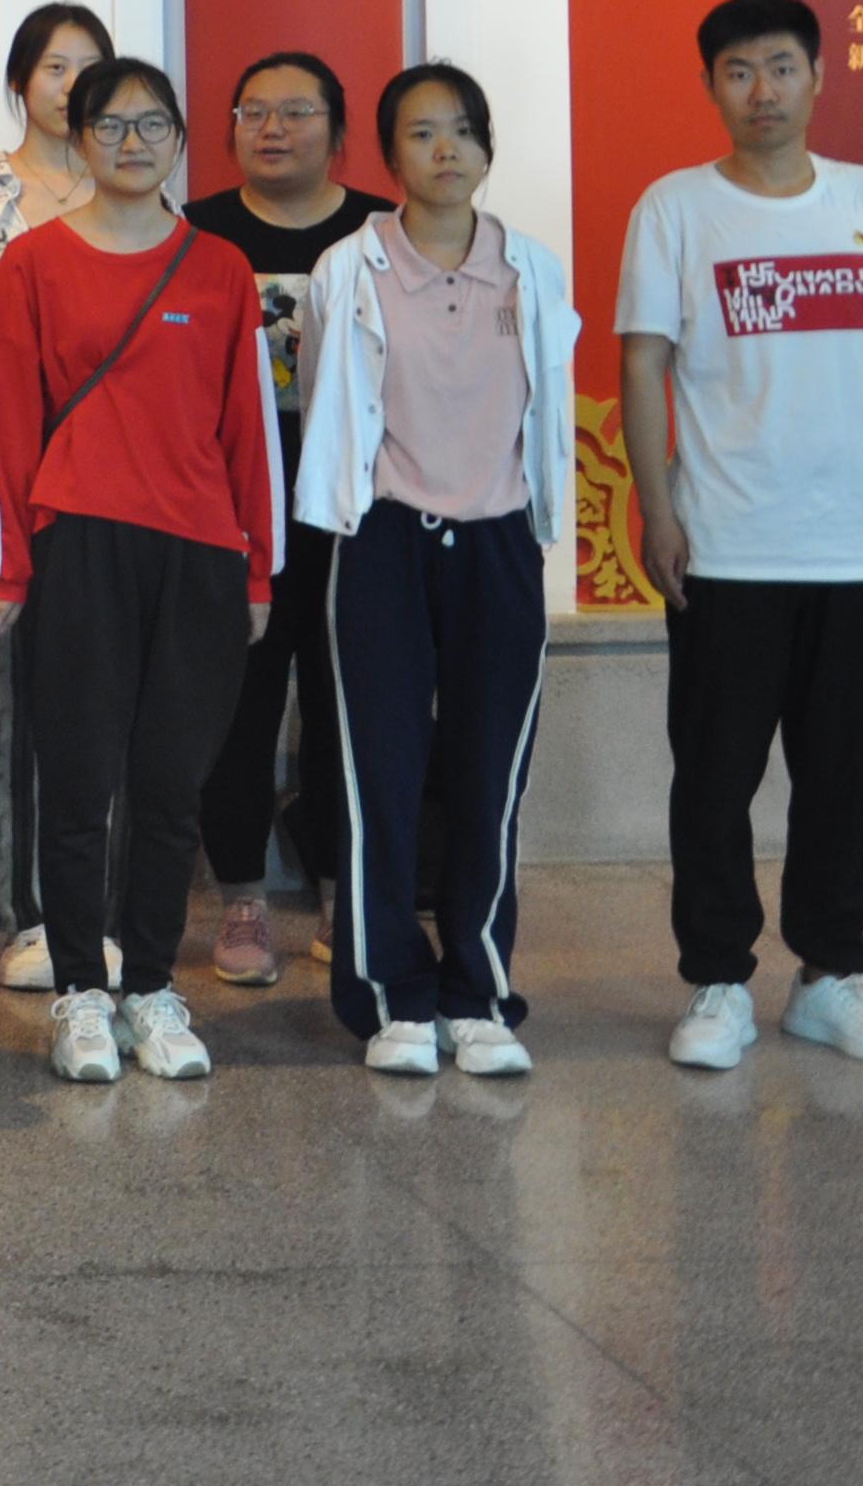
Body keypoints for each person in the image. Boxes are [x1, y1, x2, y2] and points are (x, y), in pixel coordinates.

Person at [619, 0, 863, 1075]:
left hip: (855, 544)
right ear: (710, 85)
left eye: (780, 67)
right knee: (714, 778)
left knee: (846, 776)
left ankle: (830, 977)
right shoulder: (674, 208)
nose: (761, 90)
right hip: (726, 544)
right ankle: (718, 978)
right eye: (737, 71)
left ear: (816, 76)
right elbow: (643, 365)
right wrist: (658, 508)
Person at [0, 53, 279, 1088]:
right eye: (110, 124)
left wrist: (256, 571)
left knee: (167, 788)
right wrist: (4, 569)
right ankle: (79, 990)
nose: (133, 142)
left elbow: (248, 431)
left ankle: (149, 986)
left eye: (153, 124)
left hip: (198, 552)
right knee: (76, 784)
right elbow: (6, 422)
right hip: (80, 546)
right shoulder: (32, 265)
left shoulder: (220, 268)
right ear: (80, 138)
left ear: (181, 139)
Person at [293, 61, 580, 1079]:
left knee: (489, 772)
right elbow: (330, 398)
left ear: (487, 146)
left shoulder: (531, 269)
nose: (445, 149)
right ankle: (390, 996)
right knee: (378, 773)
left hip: (499, 542)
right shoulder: (349, 268)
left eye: (462, 129)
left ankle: (478, 990)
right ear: (387, 155)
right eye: (421, 133)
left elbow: (547, 402)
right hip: (381, 541)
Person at [182, 51, 396, 986]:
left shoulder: (384, 234)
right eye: (253, 111)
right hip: (234, 502)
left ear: (339, 134)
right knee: (240, 702)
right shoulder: (194, 233)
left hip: (358, 502)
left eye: (298, 112)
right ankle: (243, 896)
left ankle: (346, 889)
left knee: (353, 700)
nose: (273, 129)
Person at [0, 0, 111, 986]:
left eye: (89, 66)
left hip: (114, 482)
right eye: (54, 66)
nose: (71, 84)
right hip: (0, 475)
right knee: (9, 699)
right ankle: (22, 913)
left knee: (102, 693)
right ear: (20, 82)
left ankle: (96, 902)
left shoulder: (133, 187)